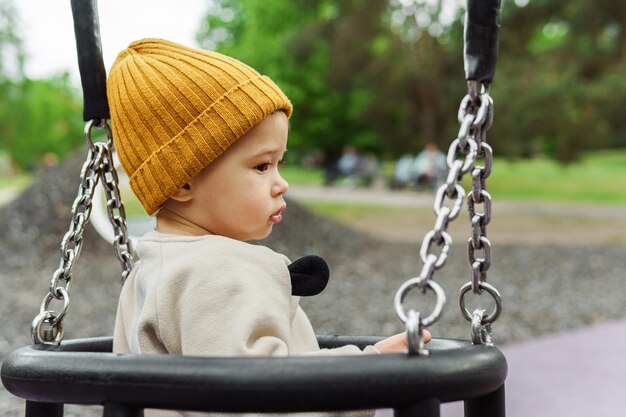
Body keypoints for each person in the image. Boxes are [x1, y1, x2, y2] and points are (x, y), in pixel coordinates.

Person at [107, 39, 430, 417]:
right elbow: (266, 400)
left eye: (280, 163)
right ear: (183, 182)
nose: (281, 183)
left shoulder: (154, 269)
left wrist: (365, 360)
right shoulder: (216, 274)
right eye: (262, 166)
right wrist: (366, 374)